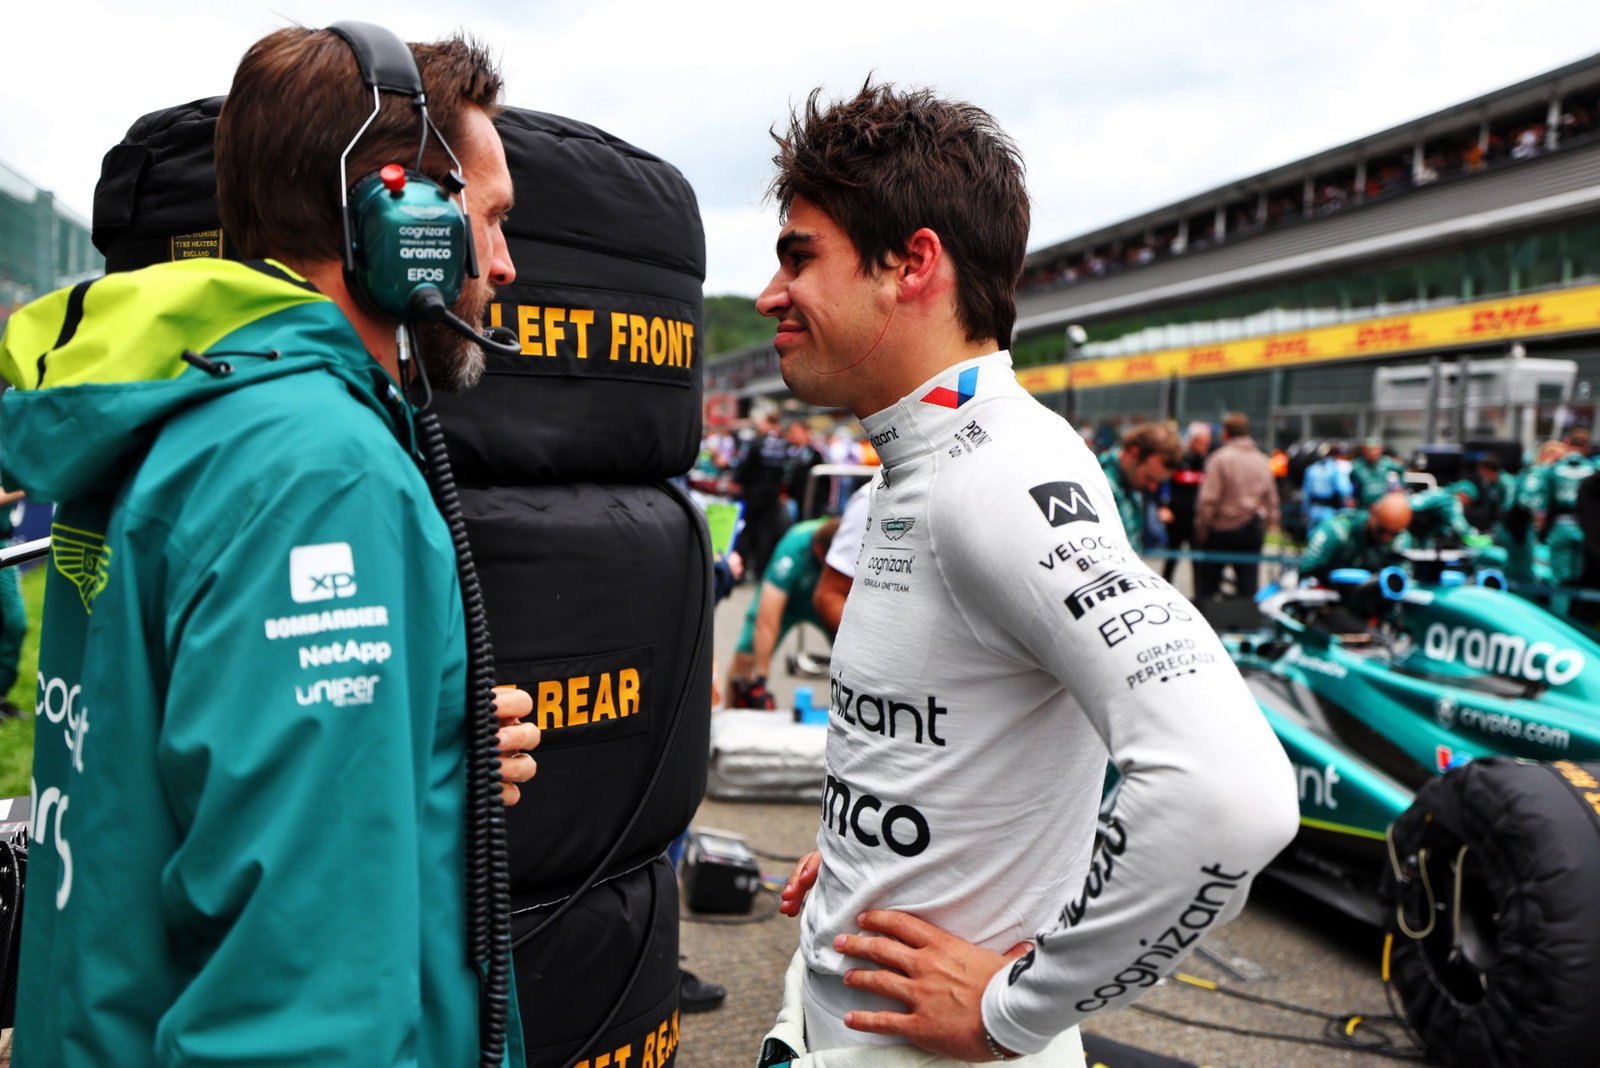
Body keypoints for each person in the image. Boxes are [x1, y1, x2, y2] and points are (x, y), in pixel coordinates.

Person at [0, 25, 539, 1065]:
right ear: (401, 219)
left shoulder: (179, 411)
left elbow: (171, 770)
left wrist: (427, 747)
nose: (505, 266)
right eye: (492, 220)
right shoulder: (315, 469)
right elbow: (301, 997)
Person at [755, 81, 1296, 1065]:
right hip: (843, 1019)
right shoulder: (918, 468)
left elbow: (1229, 794)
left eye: (800, 257)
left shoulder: (998, 472)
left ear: (910, 264)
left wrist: (1017, 1003)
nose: (770, 294)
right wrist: (863, 861)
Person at [726, 517, 840, 709]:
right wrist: (760, 680)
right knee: (746, 657)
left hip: (829, 597)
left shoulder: (850, 543)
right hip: (786, 599)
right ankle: (730, 717)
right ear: (819, 552)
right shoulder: (793, 550)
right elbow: (765, 621)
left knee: (853, 657)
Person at [1194, 412, 1279, 601]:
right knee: (1248, 587)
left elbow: (1209, 499)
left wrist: (1202, 529)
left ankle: (1209, 625)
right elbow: (1272, 499)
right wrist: (1267, 524)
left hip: (1221, 531)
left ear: (1225, 433)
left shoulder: (1220, 459)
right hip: (1251, 530)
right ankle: (1247, 626)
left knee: (1208, 588)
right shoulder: (1262, 459)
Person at [1297, 493, 1414, 583]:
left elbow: (1401, 580)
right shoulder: (1337, 529)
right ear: (1373, 511)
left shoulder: (1401, 540)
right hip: (1331, 598)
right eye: (1381, 530)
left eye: (1393, 534)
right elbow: (1307, 572)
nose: (1386, 538)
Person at [733, 409, 793, 581]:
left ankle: (741, 571)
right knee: (765, 533)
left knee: (747, 530)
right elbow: (787, 471)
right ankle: (760, 572)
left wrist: (740, 481)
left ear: (767, 422)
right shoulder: (784, 444)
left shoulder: (757, 442)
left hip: (752, 494)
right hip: (772, 496)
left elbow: (743, 468)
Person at [1098, 423, 1180, 548]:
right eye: (1149, 478)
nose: (1152, 487)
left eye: (1158, 482)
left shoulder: (1131, 483)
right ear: (1133, 453)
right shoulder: (1099, 482)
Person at [1161, 422, 1211, 586]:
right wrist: (1163, 506)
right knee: (1171, 560)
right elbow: (1162, 484)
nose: (1205, 445)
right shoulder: (1178, 460)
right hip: (1176, 518)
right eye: (1201, 442)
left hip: (1196, 519)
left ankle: (1200, 602)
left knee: (1199, 563)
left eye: (1206, 442)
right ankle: (1163, 592)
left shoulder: (1207, 462)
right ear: (1192, 440)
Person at [1301, 442, 1355, 532]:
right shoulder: (1334, 468)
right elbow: (1344, 488)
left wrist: (1304, 510)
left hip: (1313, 509)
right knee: (1326, 534)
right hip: (1328, 509)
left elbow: (1306, 492)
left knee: (1312, 537)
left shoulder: (1311, 469)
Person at [1350, 437, 1407, 507]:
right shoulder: (1357, 465)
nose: (1373, 453)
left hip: (1382, 504)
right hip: (1364, 505)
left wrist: (1400, 486)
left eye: (1375, 449)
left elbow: (1402, 470)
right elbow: (1350, 482)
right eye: (1370, 450)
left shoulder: (1386, 462)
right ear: (1364, 451)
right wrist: (1350, 497)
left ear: (1380, 450)